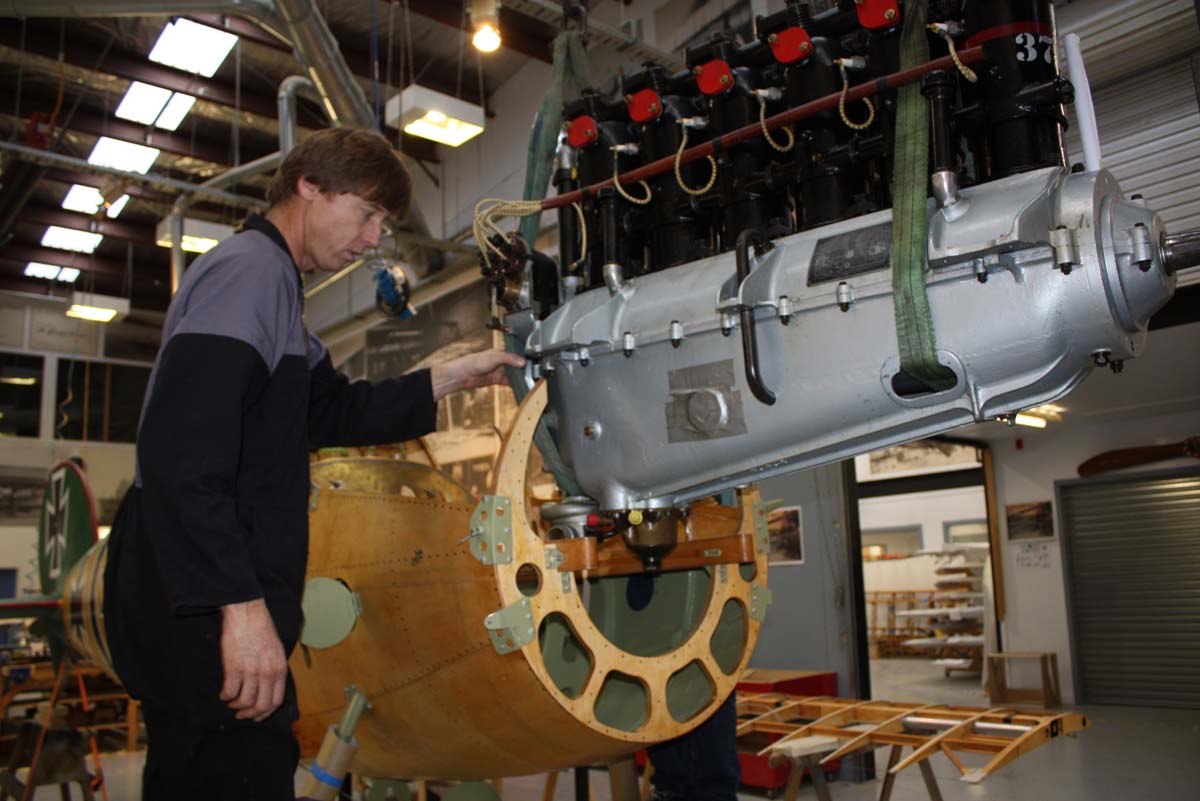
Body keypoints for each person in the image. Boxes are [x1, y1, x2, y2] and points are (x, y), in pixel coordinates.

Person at [102, 127, 523, 801]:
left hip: (198, 578)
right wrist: (238, 609)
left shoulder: (277, 291)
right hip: (199, 586)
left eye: (383, 224)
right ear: (308, 186)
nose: (372, 240)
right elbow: (180, 451)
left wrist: (453, 376)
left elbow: (332, 411)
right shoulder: (252, 271)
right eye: (366, 214)